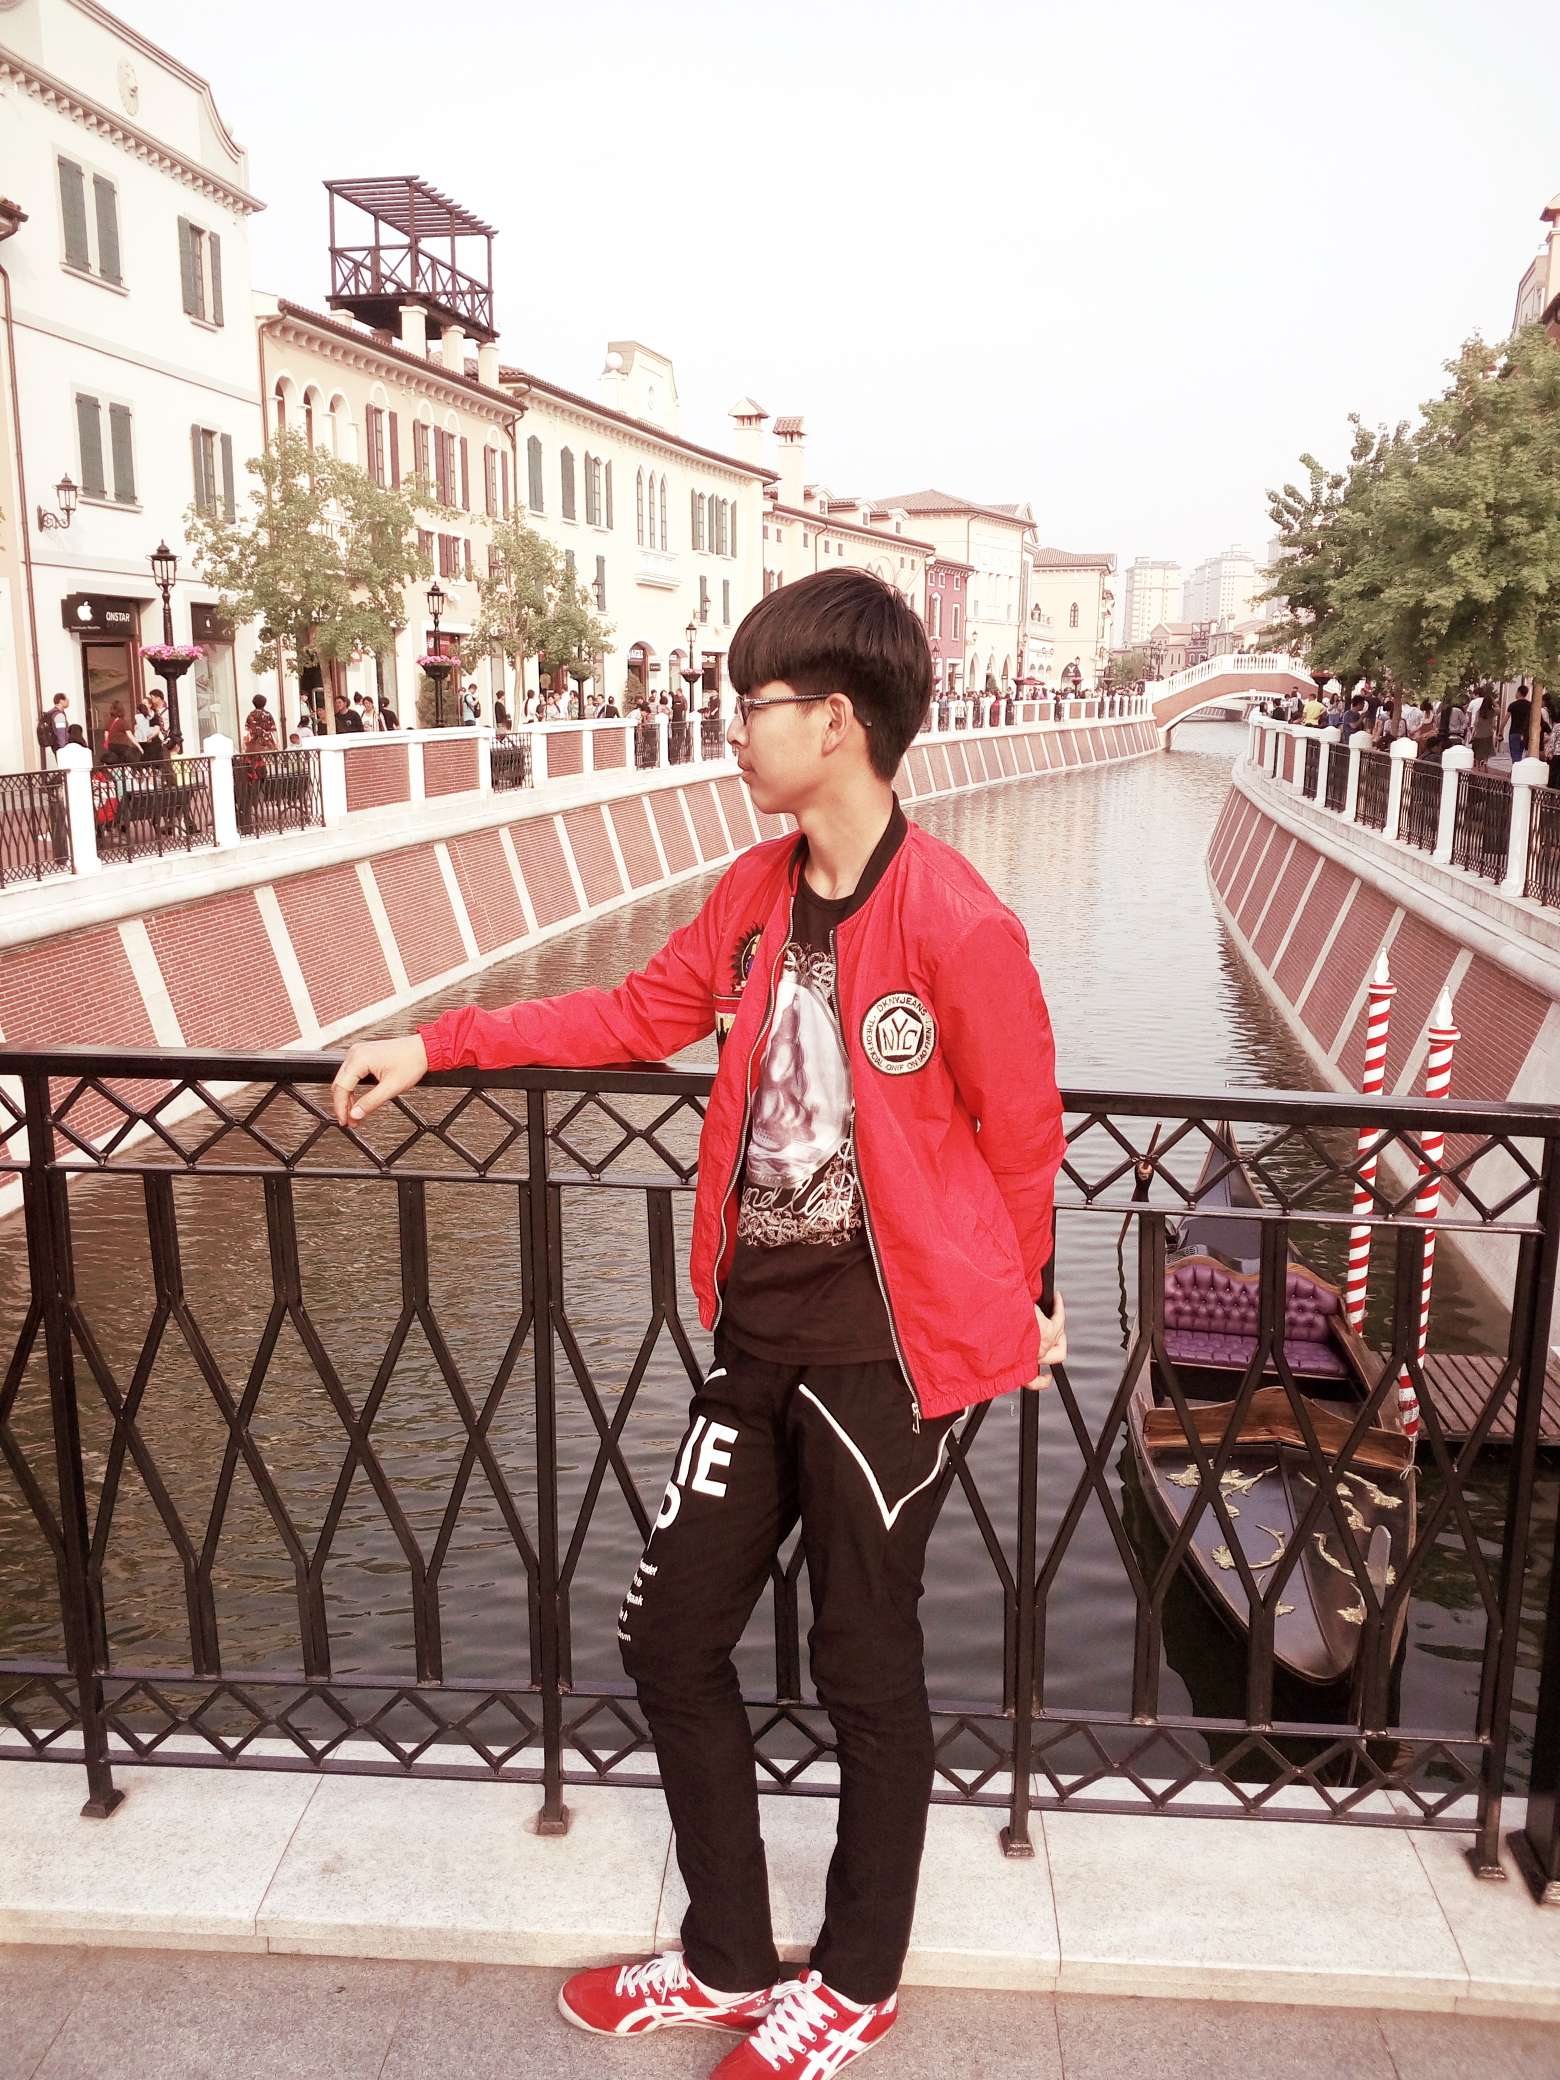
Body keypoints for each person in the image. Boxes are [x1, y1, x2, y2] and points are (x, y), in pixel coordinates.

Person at [331, 569, 1068, 2079]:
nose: (730, 728)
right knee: (668, 1637)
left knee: (866, 1663)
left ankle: (856, 1982)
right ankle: (728, 1956)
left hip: (892, 1357)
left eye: (753, 705)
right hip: (757, 1338)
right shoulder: (753, 894)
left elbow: (1022, 1136)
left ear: (837, 722)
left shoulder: (959, 921)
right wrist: (439, 1041)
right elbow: (628, 1014)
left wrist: (1026, 1304)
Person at [36, 692, 72, 761]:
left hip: (56, 745)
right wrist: (63, 750)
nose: (68, 700)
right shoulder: (59, 716)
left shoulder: (53, 713)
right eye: (66, 699)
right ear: (61, 701)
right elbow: (61, 733)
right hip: (61, 747)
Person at [1468, 686, 1495, 765]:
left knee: (1477, 745)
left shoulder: (1474, 703)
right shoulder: (1491, 709)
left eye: (1473, 694)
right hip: (1488, 729)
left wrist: (1470, 724)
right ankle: (1485, 760)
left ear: (1477, 694)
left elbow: (1469, 714)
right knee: (1486, 745)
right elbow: (1493, 718)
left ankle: (1476, 761)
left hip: (1476, 727)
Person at [1507, 685, 1533, 766]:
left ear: (1518, 692)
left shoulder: (1513, 705)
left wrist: (1500, 731)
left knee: (1514, 753)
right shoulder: (1530, 705)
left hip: (1514, 732)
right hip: (1524, 733)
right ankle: (1516, 768)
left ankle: (1515, 770)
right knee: (1520, 753)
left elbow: (1505, 719)